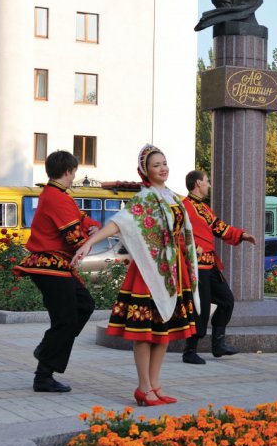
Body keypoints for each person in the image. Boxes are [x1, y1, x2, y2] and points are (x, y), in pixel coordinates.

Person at [72, 145, 199, 406]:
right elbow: (119, 223)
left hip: (173, 271)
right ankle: (143, 387)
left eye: (164, 163)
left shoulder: (174, 198)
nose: (162, 168)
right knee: (145, 332)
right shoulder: (144, 199)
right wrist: (88, 243)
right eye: (156, 165)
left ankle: (155, 385)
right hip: (149, 271)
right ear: (145, 171)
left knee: (162, 329)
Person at [13, 151, 99, 393]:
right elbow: (72, 236)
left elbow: (80, 219)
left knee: (84, 306)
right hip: (50, 267)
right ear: (69, 171)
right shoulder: (57, 197)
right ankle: (43, 374)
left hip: (55, 267)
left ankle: (46, 351)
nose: (74, 177)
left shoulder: (56, 195)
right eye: (74, 173)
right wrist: (88, 240)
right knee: (66, 320)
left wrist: (92, 228)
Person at [181, 170, 256, 364]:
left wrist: (242, 235)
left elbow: (219, 227)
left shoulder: (204, 208)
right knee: (201, 308)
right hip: (196, 266)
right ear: (198, 183)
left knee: (227, 300)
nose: (209, 185)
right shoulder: (184, 207)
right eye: (207, 181)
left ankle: (218, 344)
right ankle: (189, 351)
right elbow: (176, 233)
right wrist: (191, 248)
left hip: (210, 265)